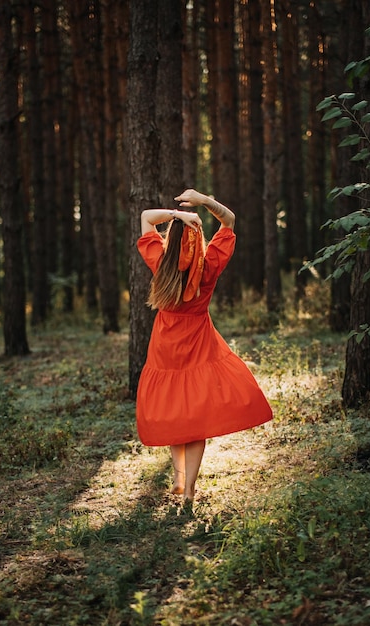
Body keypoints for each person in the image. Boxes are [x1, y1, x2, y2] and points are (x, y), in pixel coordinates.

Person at [136, 189, 273, 503]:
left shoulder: (161, 263)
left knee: (175, 414)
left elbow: (145, 218)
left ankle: (180, 480)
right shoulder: (209, 266)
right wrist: (204, 201)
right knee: (194, 420)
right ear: (198, 239)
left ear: (172, 237)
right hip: (199, 343)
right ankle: (190, 490)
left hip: (165, 345)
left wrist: (176, 215)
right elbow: (230, 221)